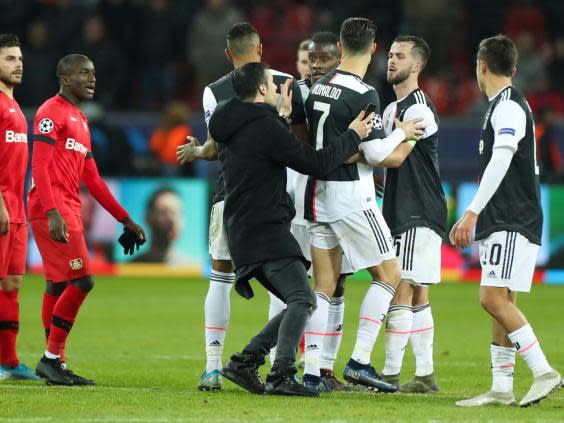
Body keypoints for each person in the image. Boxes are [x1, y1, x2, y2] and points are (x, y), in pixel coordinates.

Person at [209, 61, 374, 396]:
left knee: (299, 299)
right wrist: (353, 135)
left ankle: (245, 362)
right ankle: (280, 374)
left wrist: (281, 118)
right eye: (271, 82)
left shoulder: (229, 121)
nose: (277, 87)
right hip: (265, 227)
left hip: (242, 227)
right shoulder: (264, 127)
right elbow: (316, 163)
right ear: (261, 90)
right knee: (302, 299)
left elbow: (258, 145)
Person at [176, 22, 308, 392]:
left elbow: (217, 146)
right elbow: (297, 142)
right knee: (283, 288)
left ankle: (213, 368)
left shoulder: (214, 91)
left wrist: (199, 151)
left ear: (227, 54)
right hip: (273, 199)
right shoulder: (287, 83)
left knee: (220, 277)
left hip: (228, 197)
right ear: (261, 50)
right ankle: (276, 365)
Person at [302, 17, 424, 392]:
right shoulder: (365, 94)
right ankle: (359, 361)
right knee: (389, 276)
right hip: (352, 197)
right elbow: (372, 152)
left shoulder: (318, 86)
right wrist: (402, 133)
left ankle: (310, 372)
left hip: (317, 193)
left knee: (322, 286)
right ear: (373, 49)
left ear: (339, 47)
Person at [451, 35, 562, 407]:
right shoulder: (504, 105)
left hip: (511, 216)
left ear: (481, 66)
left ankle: (544, 371)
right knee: (504, 297)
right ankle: (501, 387)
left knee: (492, 298)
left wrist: (471, 211)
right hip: (513, 215)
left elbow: (502, 158)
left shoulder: (509, 107)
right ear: (512, 68)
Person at [28, 54, 146, 386]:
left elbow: (92, 179)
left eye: (94, 73)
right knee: (83, 280)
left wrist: (126, 219)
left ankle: (57, 362)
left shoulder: (80, 119)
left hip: (68, 207)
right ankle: (51, 359)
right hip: (51, 207)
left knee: (58, 283)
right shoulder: (50, 112)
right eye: (84, 73)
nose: (92, 78)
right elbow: (38, 166)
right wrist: (52, 212)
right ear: (65, 79)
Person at [268, 31, 352, 390]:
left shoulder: (341, 98)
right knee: (286, 286)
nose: (313, 66)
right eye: (307, 60)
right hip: (293, 206)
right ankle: (277, 361)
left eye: (318, 59)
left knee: (336, 284)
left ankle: (322, 366)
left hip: (330, 204)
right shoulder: (289, 97)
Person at [377, 36, 446, 393]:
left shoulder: (418, 109)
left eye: (399, 56)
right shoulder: (392, 110)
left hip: (418, 208)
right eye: (390, 54)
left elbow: (398, 157)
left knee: (398, 288)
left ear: (416, 66)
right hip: (403, 206)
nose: (391, 61)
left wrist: (353, 154)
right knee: (417, 293)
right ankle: (426, 375)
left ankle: (388, 376)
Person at [0, 34, 40, 380]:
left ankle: (8, 363)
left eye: (20, 58)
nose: (18, 64)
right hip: (1, 209)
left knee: (12, 282)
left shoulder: (14, 107)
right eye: (10, 58)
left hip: (17, 211)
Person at [132, 187, 185, 264]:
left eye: (177, 213)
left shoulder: (192, 267)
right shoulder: (132, 267)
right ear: (148, 217)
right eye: (164, 212)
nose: (172, 220)